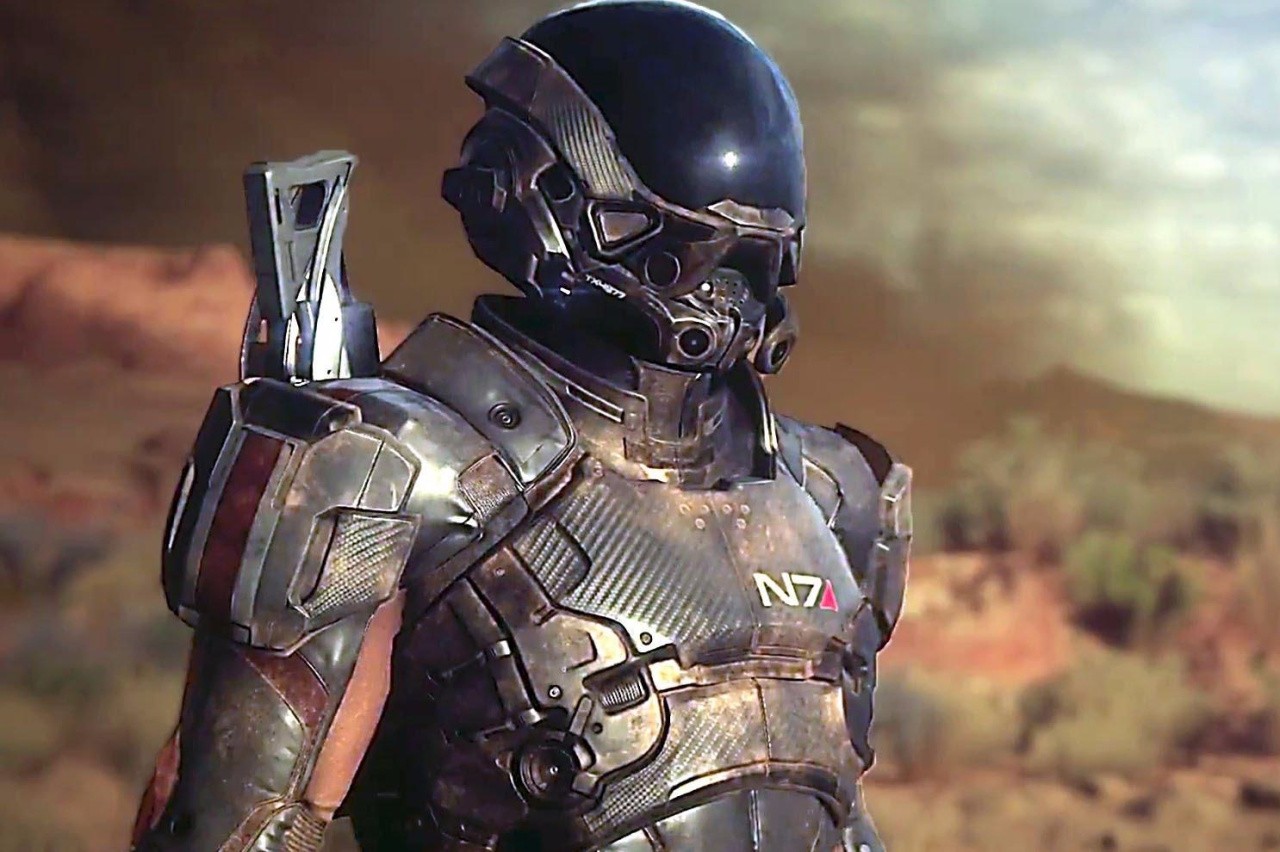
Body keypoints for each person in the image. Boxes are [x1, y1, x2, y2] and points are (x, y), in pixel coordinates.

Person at [129, 2, 911, 849]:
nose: (727, 282)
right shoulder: (392, 470)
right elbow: (236, 824)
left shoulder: (831, 492)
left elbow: (838, 803)